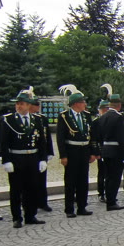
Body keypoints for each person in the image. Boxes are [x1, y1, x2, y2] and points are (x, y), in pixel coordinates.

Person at [0, 87, 48, 228]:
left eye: (22, 104)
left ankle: (30, 215)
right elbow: (3, 142)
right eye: (17, 104)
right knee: (16, 189)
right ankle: (17, 217)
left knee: (32, 188)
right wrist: (6, 160)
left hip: (32, 157)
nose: (19, 106)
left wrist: (43, 159)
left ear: (28, 105)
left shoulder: (36, 120)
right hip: (17, 158)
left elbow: (41, 141)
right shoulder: (8, 120)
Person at [56, 85, 96, 218]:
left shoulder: (86, 116)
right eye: (83, 102)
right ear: (76, 104)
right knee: (70, 181)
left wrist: (92, 152)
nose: (85, 104)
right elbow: (60, 137)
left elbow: (92, 135)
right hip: (71, 150)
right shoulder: (64, 116)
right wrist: (63, 155)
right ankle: (69, 209)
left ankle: (82, 206)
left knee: (83, 180)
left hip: (84, 150)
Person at [94, 86, 124, 211]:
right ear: (119, 105)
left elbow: (98, 136)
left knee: (108, 177)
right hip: (116, 151)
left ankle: (109, 199)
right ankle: (112, 202)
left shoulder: (102, 117)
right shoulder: (118, 117)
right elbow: (121, 138)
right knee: (115, 177)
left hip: (106, 150)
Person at [29, 98, 54, 212]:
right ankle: (30, 202)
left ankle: (43, 202)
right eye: (35, 105)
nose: (37, 108)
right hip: (29, 153)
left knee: (41, 179)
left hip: (41, 152)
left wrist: (50, 151)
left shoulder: (42, 118)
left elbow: (47, 136)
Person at [91, 100, 110, 201]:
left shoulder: (110, 120)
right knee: (102, 173)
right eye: (104, 109)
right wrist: (96, 152)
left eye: (107, 109)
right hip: (101, 149)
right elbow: (94, 139)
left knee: (110, 173)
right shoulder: (96, 122)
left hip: (110, 149)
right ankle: (101, 193)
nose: (105, 111)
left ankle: (109, 192)